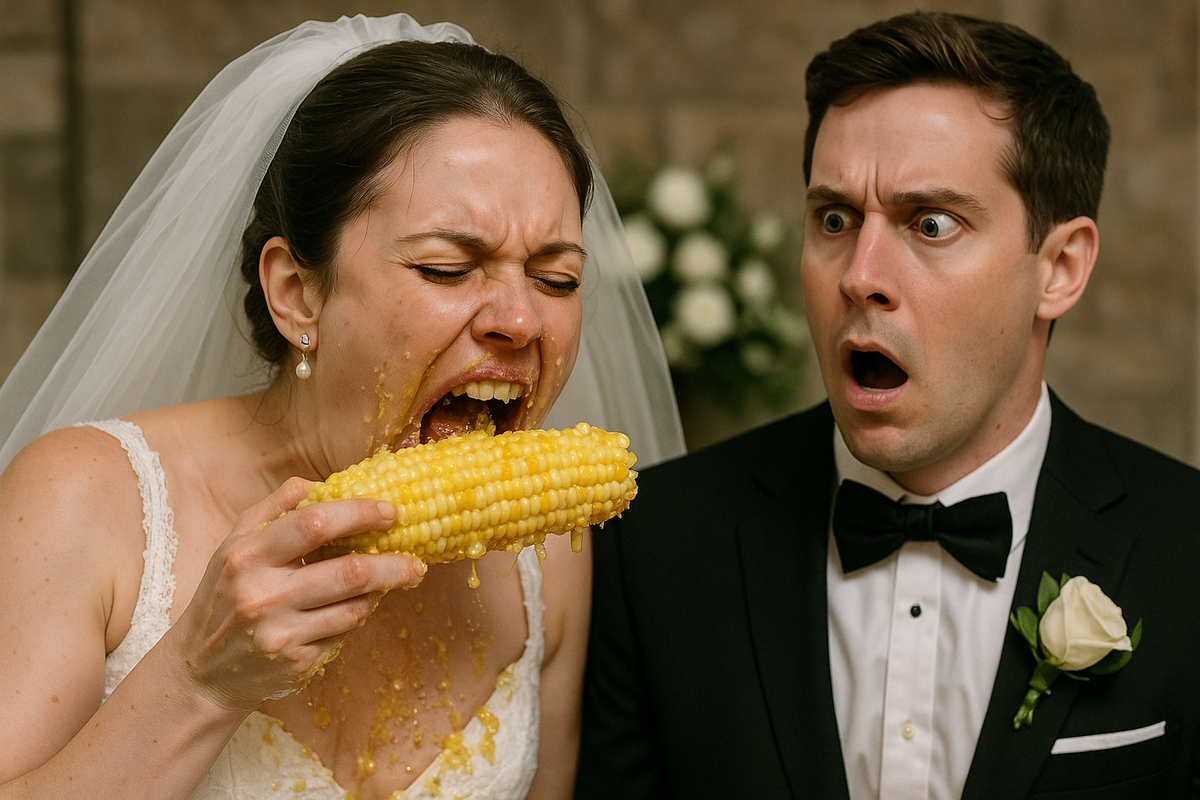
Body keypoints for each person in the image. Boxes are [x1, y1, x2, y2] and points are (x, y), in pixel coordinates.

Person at [0, 13, 684, 800]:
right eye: (447, 268)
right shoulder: (82, 496)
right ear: (297, 293)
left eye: (557, 278)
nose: (522, 320)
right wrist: (197, 682)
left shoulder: (551, 562)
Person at [576, 11, 1200, 799]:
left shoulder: (1188, 551)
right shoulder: (655, 546)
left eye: (931, 223)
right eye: (834, 219)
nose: (859, 273)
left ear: (1061, 268)